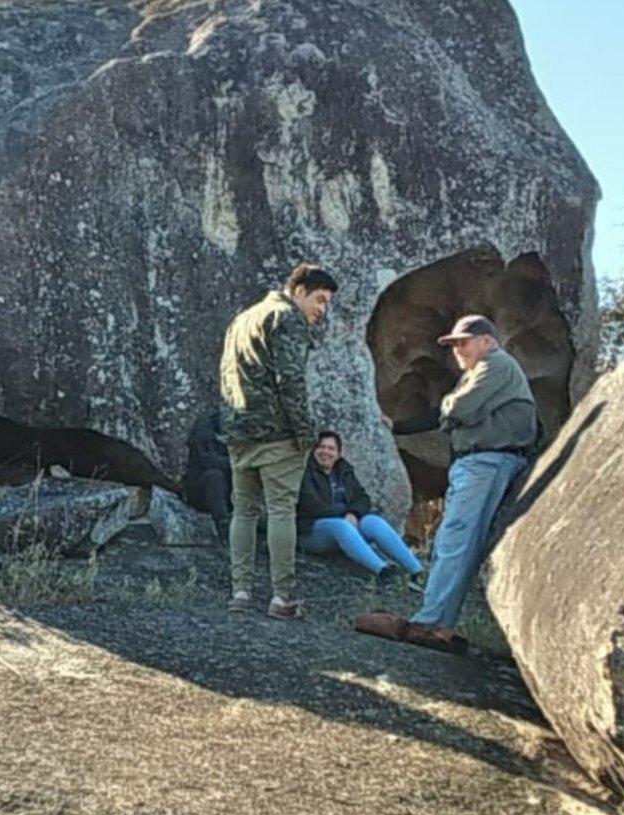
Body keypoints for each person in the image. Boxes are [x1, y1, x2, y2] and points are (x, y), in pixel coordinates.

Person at [354, 314, 539, 654]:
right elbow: (443, 414)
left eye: (463, 342)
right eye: (453, 345)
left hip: (487, 461)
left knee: (456, 540)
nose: (457, 350)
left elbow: (459, 408)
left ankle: (431, 623)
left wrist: (452, 407)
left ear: (488, 340)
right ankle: (438, 624)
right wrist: (400, 427)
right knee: (451, 543)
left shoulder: (495, 364)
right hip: (480, 463)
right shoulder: (480, 372)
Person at [219, 263, 337, 620]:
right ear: (298, 291)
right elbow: (292, 381)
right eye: (319, 300)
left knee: (244, 510)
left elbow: (225, 375)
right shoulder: (286, 318)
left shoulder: (243, 319)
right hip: (278, 434)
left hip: (239, 431)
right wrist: (306, 433)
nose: (322, 310)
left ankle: (240, 591)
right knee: (281, 510)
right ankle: (281, 597)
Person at [297, 430, 425, 591]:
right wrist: (345, 515)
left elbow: (363, 498)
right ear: (314, 450)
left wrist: (353, 513)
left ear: (338, 454)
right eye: (321, 447)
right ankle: (384, 572)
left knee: (373, 522)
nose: (326, 452)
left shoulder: (343, 471)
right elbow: (310, 504)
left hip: (346, 525)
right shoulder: (304, 471)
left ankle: (416, 571)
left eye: (331, 449)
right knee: (340, 526)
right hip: (312, 531)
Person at [180, 410, 231, 539]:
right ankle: (224, 525)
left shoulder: (247, 422)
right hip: (201, 489)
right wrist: (237, 462)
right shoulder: (204, 427)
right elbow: (208, 461)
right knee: (214, 477)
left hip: (230, 488)